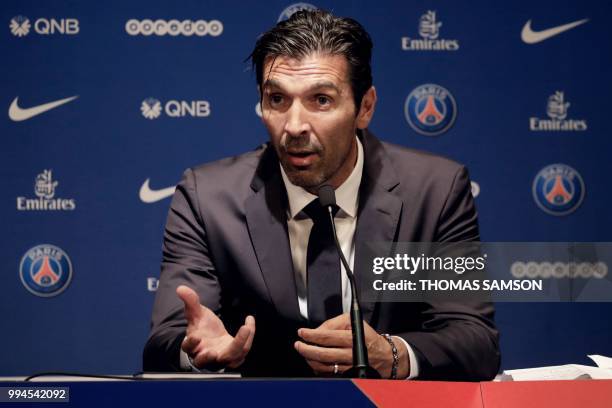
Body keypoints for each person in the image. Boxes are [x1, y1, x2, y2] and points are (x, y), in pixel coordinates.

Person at [143, 9, 500, 380]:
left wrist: (390, 354)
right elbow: (164, 342)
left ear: (365, 107)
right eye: (277, 99)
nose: (295, 126)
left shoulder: (434, 191)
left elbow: (475, 340)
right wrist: (198, 353)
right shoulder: (208, 198)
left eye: (321, 100)